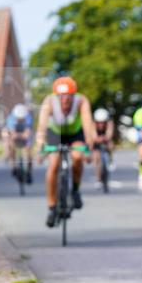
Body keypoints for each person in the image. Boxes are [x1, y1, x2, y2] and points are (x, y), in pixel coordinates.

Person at [34, 76, 97, 227]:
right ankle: (51, 207)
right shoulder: (49, 101)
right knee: (53, 165)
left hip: (75, 133)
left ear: (73, 95)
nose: (65, 101)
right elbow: (42, 125)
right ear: (56, 96)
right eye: (61, 97)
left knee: (77, 157)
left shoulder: (81, 101)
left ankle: (75, 190)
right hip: (56, 133)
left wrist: (89, 144)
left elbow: (87, 122)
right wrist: (40, 143)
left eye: (68, 96)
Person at [4, 103, 34, 183]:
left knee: (29, 153)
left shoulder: (28, 118)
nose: (20, 120)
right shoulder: (11, 119)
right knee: (11, 145)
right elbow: (12, 133)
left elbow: (28, 132)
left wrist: (25, 136)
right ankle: (13, 166)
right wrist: (17, 136)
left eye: (22, 118)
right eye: (18, 118)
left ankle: (29, 172)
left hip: (24, 136)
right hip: (15, 134)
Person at [91, 108, 115, 188]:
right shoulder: (93, 124)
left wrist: (106, 138)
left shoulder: (109, 123)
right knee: (96, 157)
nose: (101, 124)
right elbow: (93, 136)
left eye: (103, 122)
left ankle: (111, 160)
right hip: (96, 141)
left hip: (105, 139)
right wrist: (97, 139)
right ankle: (98, 179)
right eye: (99, 122)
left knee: (110, 145)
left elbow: (109, 134)